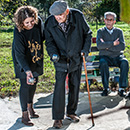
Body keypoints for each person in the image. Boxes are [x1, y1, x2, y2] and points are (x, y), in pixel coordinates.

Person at [44, 0, 92, 128]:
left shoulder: (77, 16)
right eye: (56, 15)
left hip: (76, 57)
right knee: (59, 87)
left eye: (60, 15)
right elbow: (49, 42)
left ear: (67, 11)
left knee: (74, 85)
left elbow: (88, 34)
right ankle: (58, 118)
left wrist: (85, 50)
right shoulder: (50, 22)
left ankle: (71, 112)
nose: (58, 18)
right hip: (60, 59)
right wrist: (53, 53)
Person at [12, 6, 44, 126]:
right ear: (21, 22)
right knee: (25, 84)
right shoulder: (18, 30)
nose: (30, 24)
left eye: (32, 21)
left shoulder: (38, 22)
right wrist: (26, 70)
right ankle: (24, 114)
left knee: (34, 82)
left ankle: (30, 107)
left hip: (35, 56)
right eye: (27, 23)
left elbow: (43, 36)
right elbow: (19, 54)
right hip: (22, 59)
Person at [97, 12, 129, 97]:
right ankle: (106, 88)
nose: (108, 22)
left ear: (114, 21)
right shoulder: (100, 31)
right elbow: (99, 46)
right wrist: (113, 43)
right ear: (104, 20)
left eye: (110, 20)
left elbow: (122, 46)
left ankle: (122, 88)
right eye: (107, 19)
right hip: (105, 57)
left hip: (117, 57)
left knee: (124, 62)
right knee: (103, 63)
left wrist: (107, 46)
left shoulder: (119, 32)